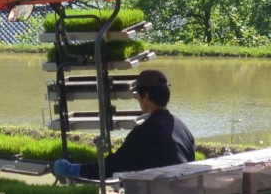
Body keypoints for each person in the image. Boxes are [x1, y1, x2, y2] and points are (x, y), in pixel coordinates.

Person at [52, 69, 195, 180]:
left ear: (145, 96)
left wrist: (74, 170)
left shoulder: (145, 132)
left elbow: (112, 167)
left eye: (137, 96)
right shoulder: (182, 127)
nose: (138, 100)